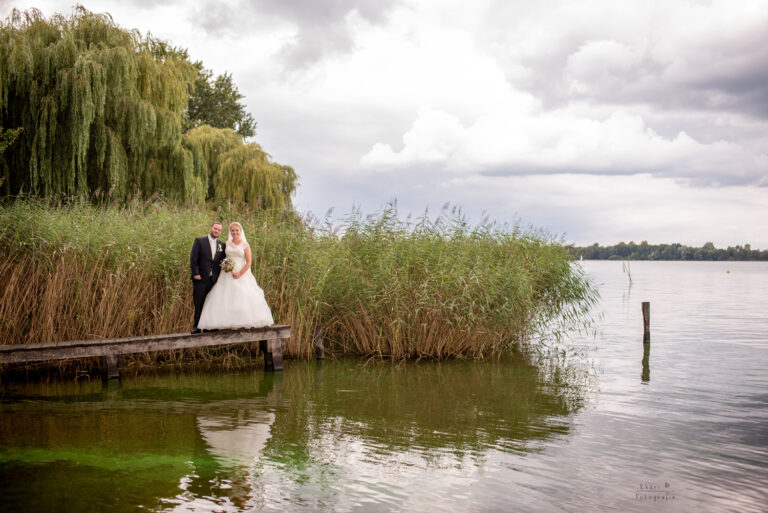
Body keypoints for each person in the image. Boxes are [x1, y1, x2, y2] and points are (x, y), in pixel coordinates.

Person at [197, 222, 274, 330]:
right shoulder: (226, 244)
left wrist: (239, 273)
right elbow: (222, 257)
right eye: (232, 230)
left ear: (240, 231)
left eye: (237, 230)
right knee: (225, 296)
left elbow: (249, 262)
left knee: (242, 295)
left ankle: (243, 321)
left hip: (242, 273)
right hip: (227, 273)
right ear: (230, 232)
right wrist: (227, 267)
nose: (235, 232)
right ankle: (225, 322)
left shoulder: (245, 245)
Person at [190, 221, 226, 334]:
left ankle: (207, 327)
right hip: (200, 279)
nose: (217, 231)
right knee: (199, 303)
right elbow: (193, 259)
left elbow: (222, 261)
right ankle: (196, 327)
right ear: (211, 228)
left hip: (214, 280)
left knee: (210, 303)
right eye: (215, 228)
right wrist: (196, 273)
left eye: (219, 230)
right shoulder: (199, 241)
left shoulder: (221, 245)